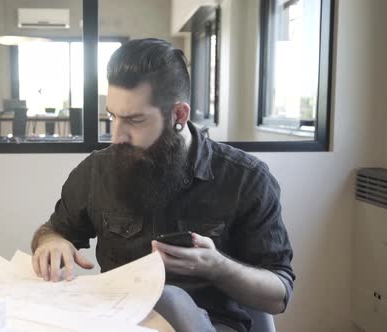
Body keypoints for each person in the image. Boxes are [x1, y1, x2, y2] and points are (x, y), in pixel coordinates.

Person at [30, 38, 294, 332]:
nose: (117, 136)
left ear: (178, 115)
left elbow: (278, 295)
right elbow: (53, 231)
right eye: (112, 116)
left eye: (134, 120)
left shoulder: (246, 178)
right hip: (119, 321)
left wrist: (216, 266)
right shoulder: (97, 170)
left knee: (172, 299)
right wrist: (51, 242)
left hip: (210, 324)